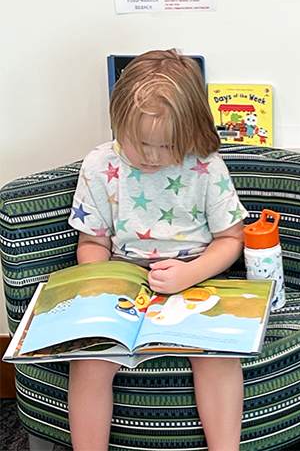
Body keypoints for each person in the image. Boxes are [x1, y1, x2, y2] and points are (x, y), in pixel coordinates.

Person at [66, 49, 246, 451]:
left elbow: (231, 239)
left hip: (196, 277)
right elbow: (93, 241)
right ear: (117, 123)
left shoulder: (205, 164)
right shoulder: (99, 166)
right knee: (89, 362)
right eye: (138, 143)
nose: (150, 157)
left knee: (218, 355)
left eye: (164, 147)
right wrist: (105, 284)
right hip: (124, 281)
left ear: (192, 132)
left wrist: (190, 274)